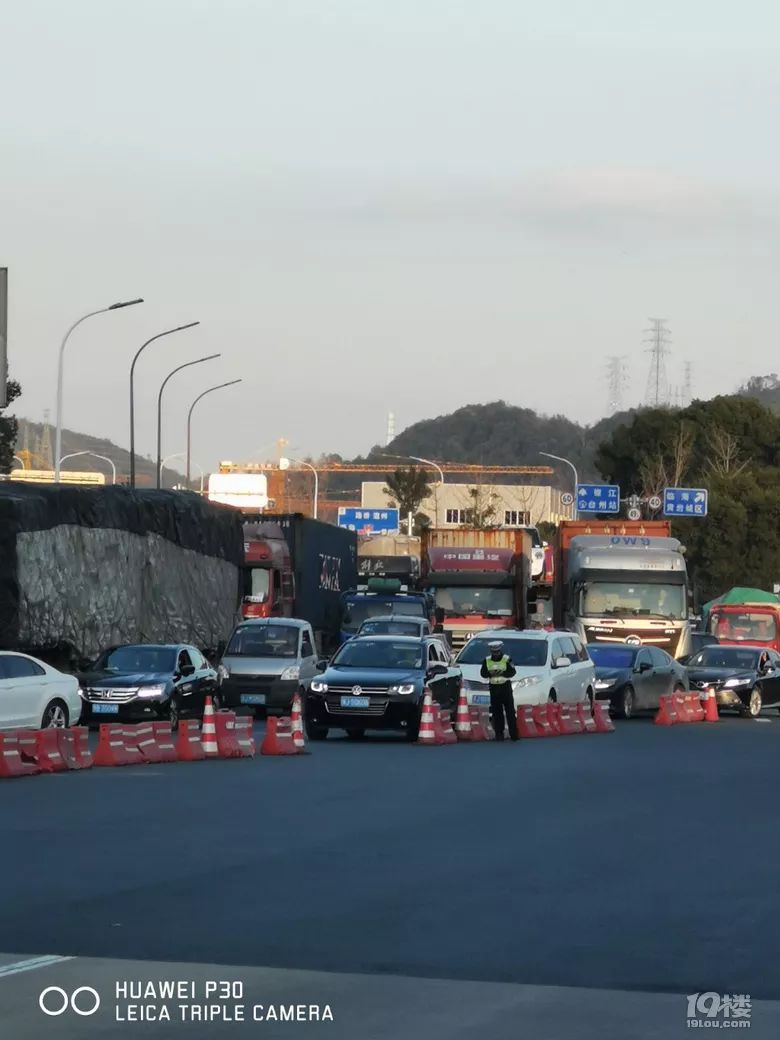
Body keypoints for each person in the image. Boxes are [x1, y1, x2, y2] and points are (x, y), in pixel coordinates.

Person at [480, 639, 518, 741]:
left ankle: (514, 735)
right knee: (497, 713)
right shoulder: (487, 660)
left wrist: (502, 673)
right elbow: (483, 673)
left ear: (500, 650)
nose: (495, 654)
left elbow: (513, 672)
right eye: (494, 652)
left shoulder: (507, 659)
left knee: (510, 712)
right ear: (491, 651)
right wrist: (491, 673)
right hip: (494, 688)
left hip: (505, 687)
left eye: (497, 652)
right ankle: (499, 735)